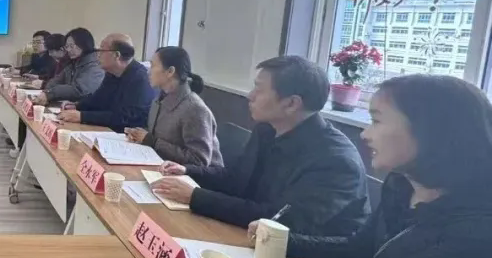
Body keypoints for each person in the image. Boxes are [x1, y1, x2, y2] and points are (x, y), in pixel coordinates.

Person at [252, 75, 492, 258]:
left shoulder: (479, 230)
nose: (365, 133)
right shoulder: (401, 186)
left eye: (377, 121)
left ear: (432, 131)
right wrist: (285, 241)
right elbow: (358, 248)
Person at [152, 56, 368, 235]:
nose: (250, 96)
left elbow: (277, 220)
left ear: (291, 103)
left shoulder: (335, 161)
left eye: (259, 89)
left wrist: (195, 197)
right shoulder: (267, 129)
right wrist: (188, 171)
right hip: (250, 234)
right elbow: (236, 180)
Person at [126, 46, 222, 167]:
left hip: (190, 176)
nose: (148, 71)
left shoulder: (195, 109)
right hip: (162, 166)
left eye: (153, 66)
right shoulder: (159, 99)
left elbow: (199, 161)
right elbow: (157, 135)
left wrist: (152, 141)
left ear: (170, 71)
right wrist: (139, 135)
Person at [58, 34, 155, 132]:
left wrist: (82, 116)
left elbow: (127, 117)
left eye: (101, 51)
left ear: (116, 55)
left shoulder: (141, 79)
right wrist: (77, 106)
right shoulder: (111, 73)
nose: (98, 55)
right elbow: (98, 99)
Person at [32, 27, 105, 106]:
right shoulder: (73, 62)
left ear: (84, 44)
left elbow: (78, 89)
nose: (68, 50)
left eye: (71, 46)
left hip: (84, 109)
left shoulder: (95, 65)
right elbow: (57, 80)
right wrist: (46, 92)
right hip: (68, 105)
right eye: (67, 46)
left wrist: (50, 94)